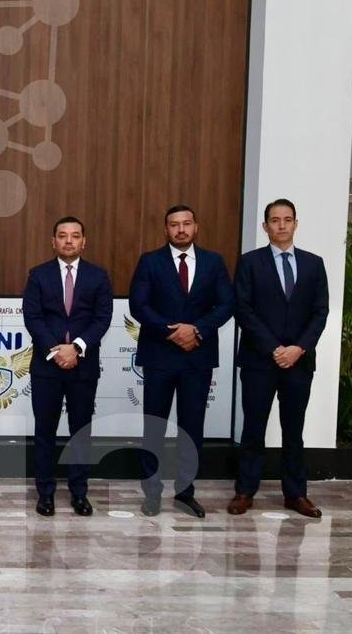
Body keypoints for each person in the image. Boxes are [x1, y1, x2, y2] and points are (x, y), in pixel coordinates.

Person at [128, 205, 233, 518]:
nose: (181, 229)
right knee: (154, 428)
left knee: (192, 429)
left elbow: (226, 304)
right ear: (166, 230)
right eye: (174, 225)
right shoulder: (150, 261)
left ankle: (185, 493)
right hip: (160, 356)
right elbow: (139, 305)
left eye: (186, 223)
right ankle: (152, 494)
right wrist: (171, 331)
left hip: (197, 358)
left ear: (196, 227)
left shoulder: (214, 262)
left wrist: (196, 329)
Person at [228, 199, 329, 518]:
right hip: (259, 360)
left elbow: (320, 311)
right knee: (253, 428)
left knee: (294, 430)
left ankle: (296, 493)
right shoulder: (250, 262)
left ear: (295, 224)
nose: (281, 225)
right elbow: (243, 309)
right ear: (265, 226)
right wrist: (274, 348)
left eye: (287, 219)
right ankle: (245, 491)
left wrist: (298, 348)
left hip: (299, 361)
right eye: (275, 220)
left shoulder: (314, 264)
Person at [21, 216, 113, 517]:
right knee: (44, 431)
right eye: (63, 235)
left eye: (75, 235)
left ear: (84, 242)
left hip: (83, 366)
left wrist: (77, 348)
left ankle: (79, 493)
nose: (69, 240)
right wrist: (57, 349)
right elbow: (33, 317)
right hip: (47, 366)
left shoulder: (98, 276)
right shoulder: (38, 275)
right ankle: (45, 493)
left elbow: (103, 318)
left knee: (80, 431)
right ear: (54, 241)